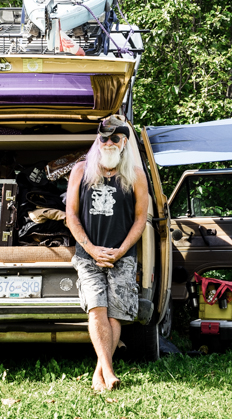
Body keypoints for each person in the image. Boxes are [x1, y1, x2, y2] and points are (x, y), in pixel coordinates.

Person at [66, 114, 149, 391]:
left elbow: (140, 219)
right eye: (104, 138)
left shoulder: (135, 175)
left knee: (115, 315)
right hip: (88, 255)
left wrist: (121, 250)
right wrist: (91, 250)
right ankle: (109, 372)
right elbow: (71, 216)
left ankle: (99, 373)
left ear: (124, 142)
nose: (109, 143)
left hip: (122, 256)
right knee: (96, 309)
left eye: (115, 138)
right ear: (97, 141)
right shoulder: (81, 171)